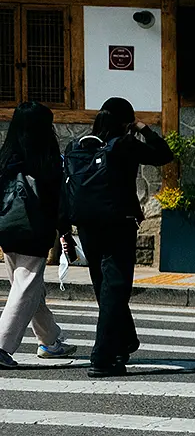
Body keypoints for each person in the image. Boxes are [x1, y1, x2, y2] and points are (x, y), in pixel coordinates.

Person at [62, 97, 173, 377]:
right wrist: (143, 128)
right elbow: (163, 154)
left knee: (104, 285)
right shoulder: (123, 144)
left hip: (86, 224)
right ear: (125, 122)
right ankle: (103, 356)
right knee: (117, 285)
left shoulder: (77, 146)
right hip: (117, 223)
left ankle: (123, 340)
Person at [0, 102, 75, 367]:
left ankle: (50, 341)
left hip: (7, 229)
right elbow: (58, 201)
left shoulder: (6, 156)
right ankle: (2, 345)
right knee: (26, 286)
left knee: (30, 288)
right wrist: (65, 232)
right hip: (35, 230)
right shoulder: (46, 158)